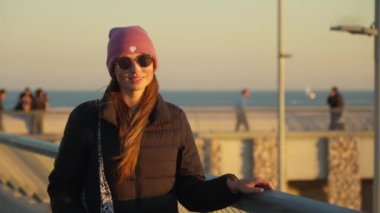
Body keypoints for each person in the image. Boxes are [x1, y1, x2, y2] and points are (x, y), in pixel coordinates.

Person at [47, 26, 274, 213]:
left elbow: (191, 192)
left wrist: (231, 186)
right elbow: (63, 187)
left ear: (153, 65)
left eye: (143, 60)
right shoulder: (87, 118)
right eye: (125, 62)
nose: (135, 69)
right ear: (113, 69)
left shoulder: (174, 119)